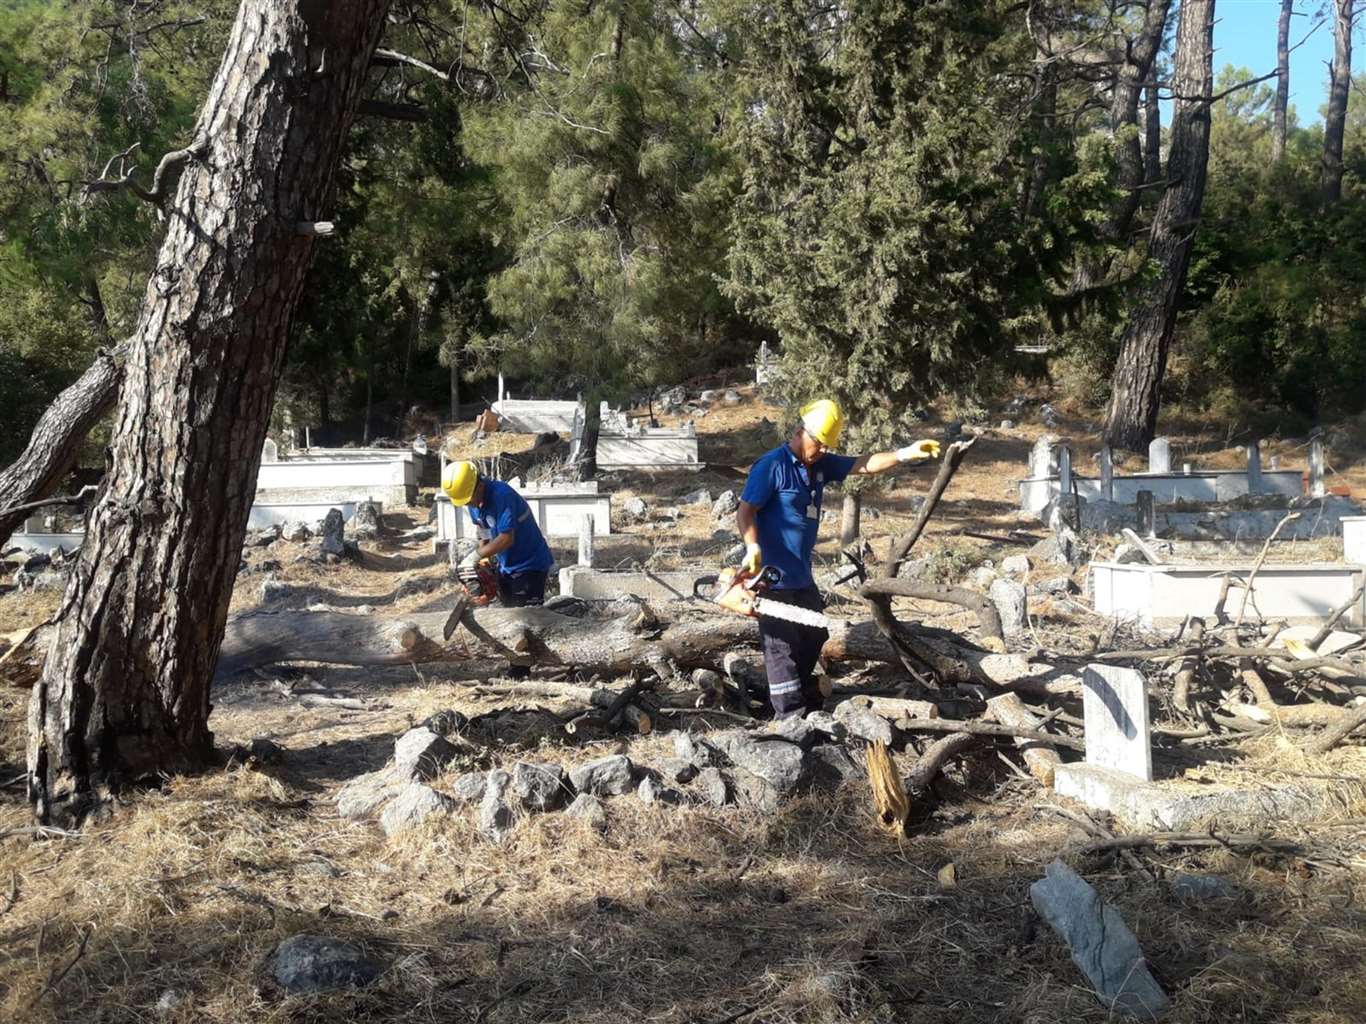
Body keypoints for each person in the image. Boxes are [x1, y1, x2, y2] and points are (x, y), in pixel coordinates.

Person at [736, 399, 941, 718]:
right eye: (817, 442)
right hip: (772, 580)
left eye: (825, 446)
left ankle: (798, 696)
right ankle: (789, 719)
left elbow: (864, 464)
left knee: (816, 633)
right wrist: (751, 547)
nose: (820, 451)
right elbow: (745, 511)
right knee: (781, 647)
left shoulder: (819, 466)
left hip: (801, 577)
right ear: (800, 431)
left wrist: (904, 453)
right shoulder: (771, 466)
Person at [441, 461, 556, 609]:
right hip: (506, 566)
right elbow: (484, 534)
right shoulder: (474, 504)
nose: (468, 505)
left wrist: (473, 557)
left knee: (527, 618)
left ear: (479, 486)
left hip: (530, 565)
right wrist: (482, 563)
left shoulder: (502, 495)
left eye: (469, 500)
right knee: (507, 612)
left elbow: (507, 538)